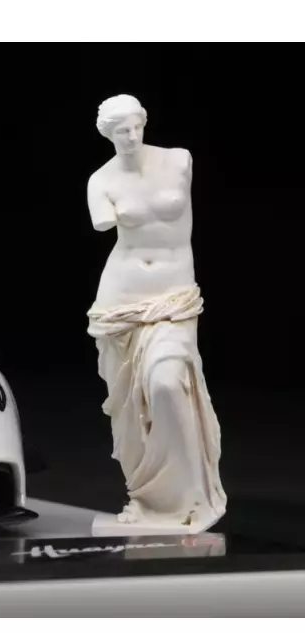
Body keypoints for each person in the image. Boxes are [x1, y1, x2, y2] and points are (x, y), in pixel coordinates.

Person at [85, 94, 226, 532]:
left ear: (144, 123)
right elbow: (103, 223)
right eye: (120, 130)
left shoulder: (178, 160)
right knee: (131, 405)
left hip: (173, 295)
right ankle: (151, 498)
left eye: (136, 126)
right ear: (107, 134)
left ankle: (191, 495)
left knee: (166, 383)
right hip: (122, 299)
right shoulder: (100, 181)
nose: (131, 136)